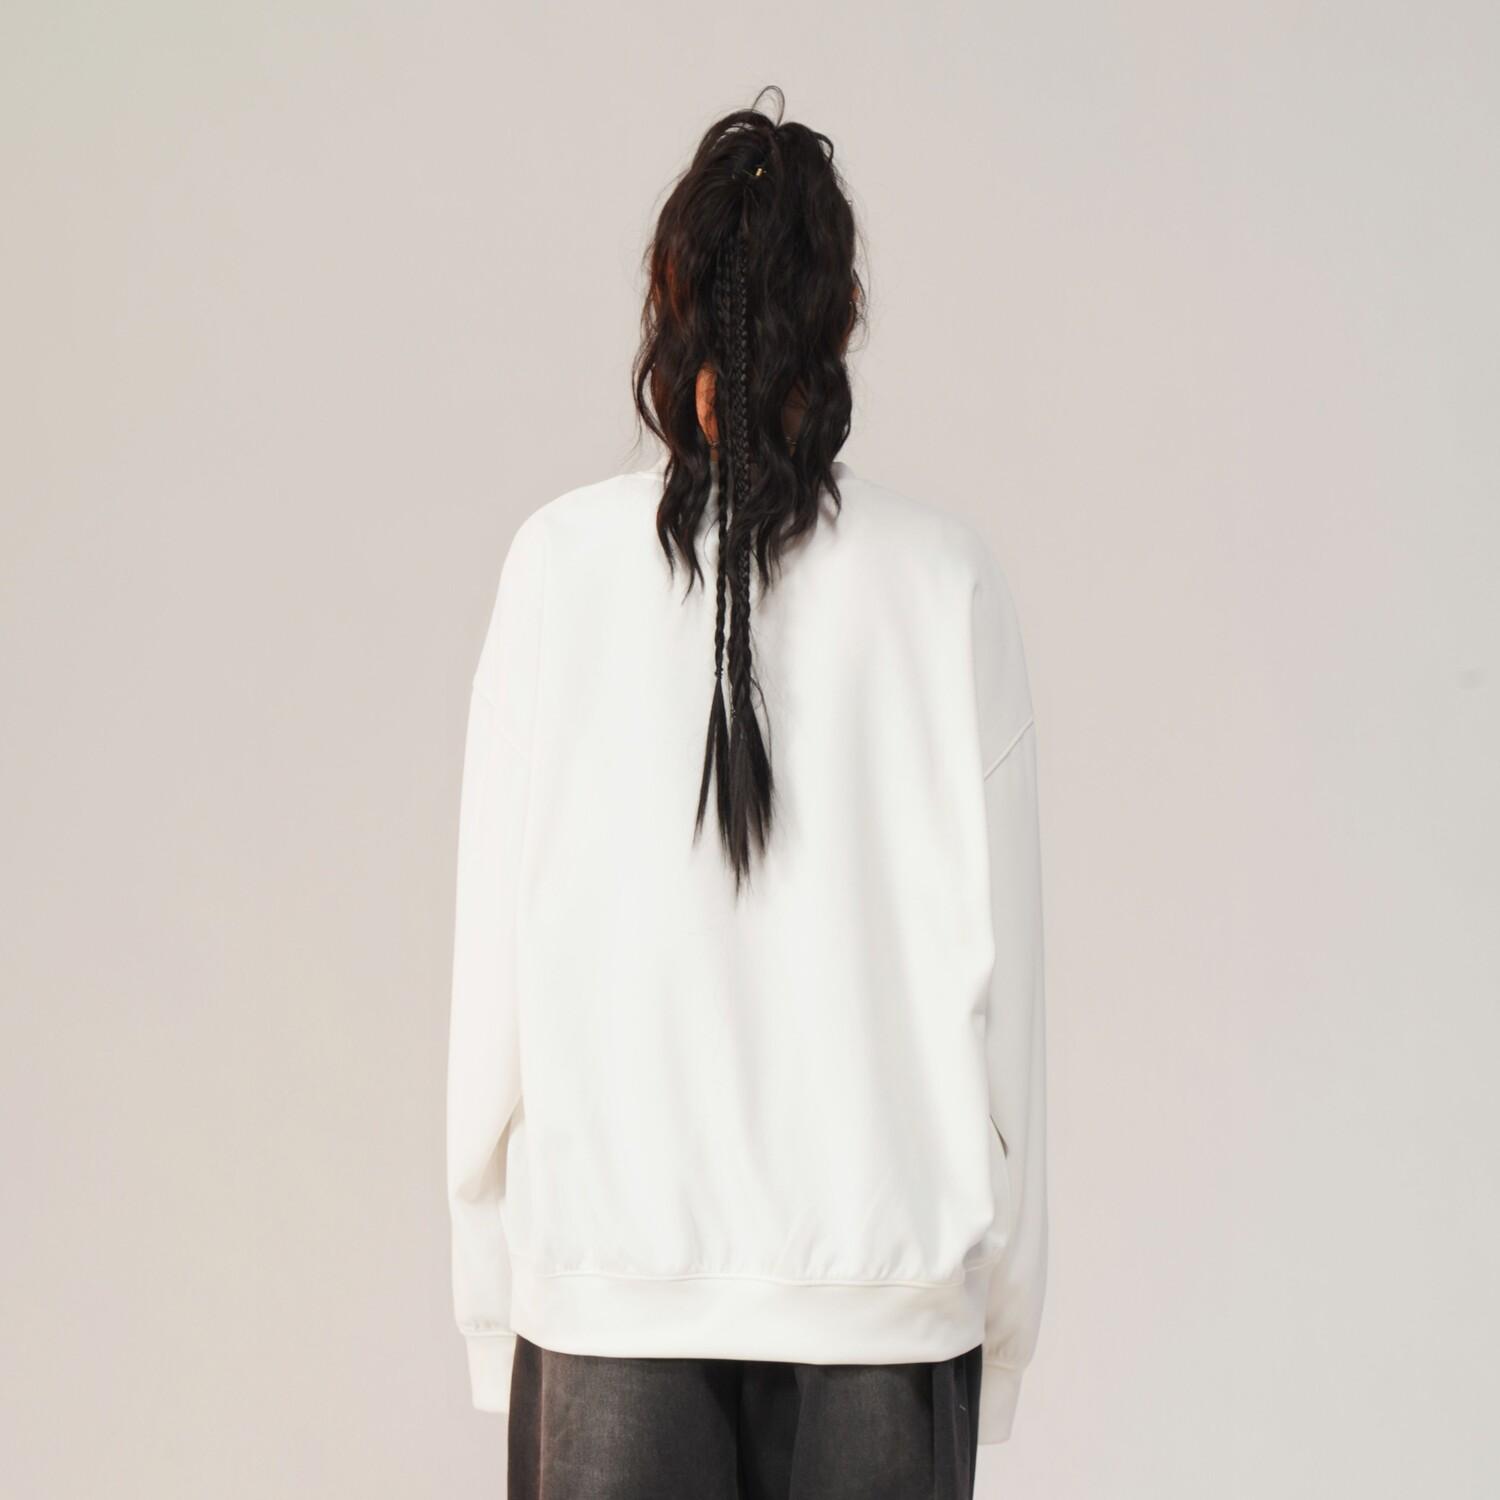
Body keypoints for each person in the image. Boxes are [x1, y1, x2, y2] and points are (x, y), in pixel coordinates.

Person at [445, 86, 1047, 1500]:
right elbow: (1011, 1012)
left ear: (670, 310)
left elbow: (491, 996)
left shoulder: (557, 570)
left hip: (610, 1290)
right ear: (841, 322)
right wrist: (1001, 1326)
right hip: (885, 1307)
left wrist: (495, 1302)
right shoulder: (945, 585)